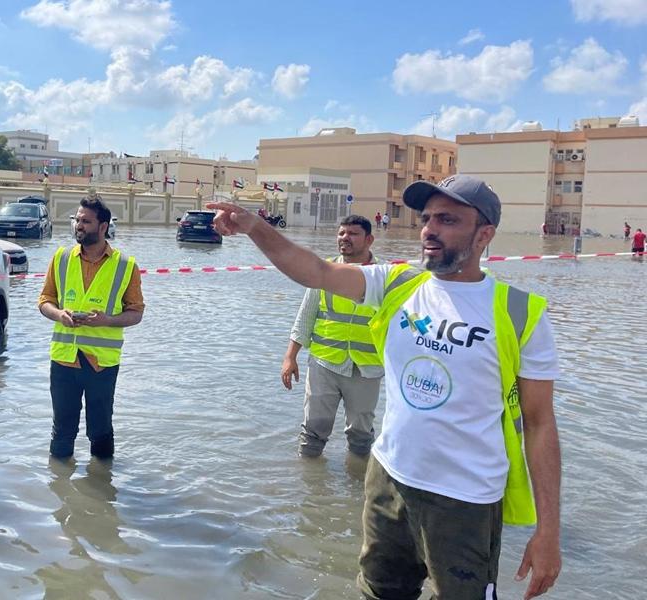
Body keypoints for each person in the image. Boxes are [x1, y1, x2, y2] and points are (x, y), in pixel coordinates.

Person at [207, 174, 561, 600]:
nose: (429, 229)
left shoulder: (521, 313)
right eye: (427, 218)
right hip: (388, 480)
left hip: (465, 499)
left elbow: (541, 425)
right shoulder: (397, 284)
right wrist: (253, 227)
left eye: (448, 219)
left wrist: (548, 533)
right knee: (378, 592)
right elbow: (316, 272)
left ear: (484, 234)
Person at [38, 195, 144, 459]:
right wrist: (60, 315)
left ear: (103, 226)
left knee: (100, 430)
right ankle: (62, 490)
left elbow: (136, 313)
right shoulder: (60, 258)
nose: (78, 226)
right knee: (62, 430)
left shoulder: (125, 266)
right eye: (77, 220)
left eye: (86, 221)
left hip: (102, 365)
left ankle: (103, 489)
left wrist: (108, 320)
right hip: (64, 360)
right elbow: (44, 301)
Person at [282, 215, 382, 458]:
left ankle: (357, 484)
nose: (345, 238)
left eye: (352, 234)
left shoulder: (384, 276)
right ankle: (310, 489)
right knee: (313, 431)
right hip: (324, 363)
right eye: (341, 233)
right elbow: (305, 316)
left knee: (361, 435)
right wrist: (290, 357)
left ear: (369, 239)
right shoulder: (323, 272)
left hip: (366, 368)